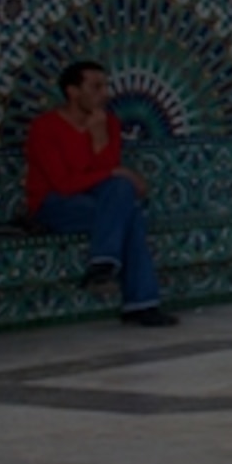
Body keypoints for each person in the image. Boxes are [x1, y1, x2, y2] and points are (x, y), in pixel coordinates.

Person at [24, 59, 171, 327]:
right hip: (53, 206)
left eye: (106, 86)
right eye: (96, 87)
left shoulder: (107, 124)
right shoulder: (45, 128)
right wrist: (117, 172)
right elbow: (63, 183)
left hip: (95, 204)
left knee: (122, 196)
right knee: (128, 211)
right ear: (73, 91)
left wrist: (100, 138)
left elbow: (106, 176)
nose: (105, 93)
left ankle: (103, 266)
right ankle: (141, 304)